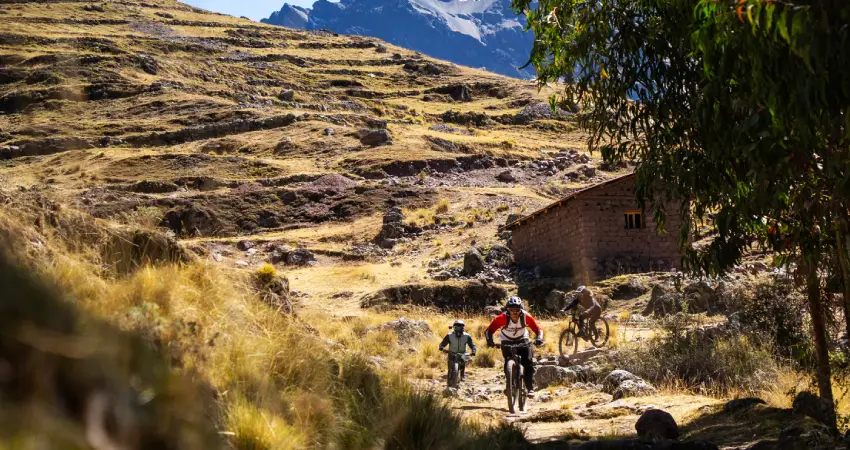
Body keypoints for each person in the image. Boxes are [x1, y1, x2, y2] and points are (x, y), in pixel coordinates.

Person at [484, 296, 543, 397]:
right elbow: (489, 331)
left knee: (528, 362)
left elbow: (538, 330)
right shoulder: (501, 318)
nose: (514, 313)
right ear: (508, 310)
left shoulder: (526, 316)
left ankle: (530, 388)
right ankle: (509, 386)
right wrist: (490, 342)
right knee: (508, 362)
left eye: (517, 310)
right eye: (512, 310)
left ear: (521, 310)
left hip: (522, 339)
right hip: (506, 340)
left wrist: (539, 339)